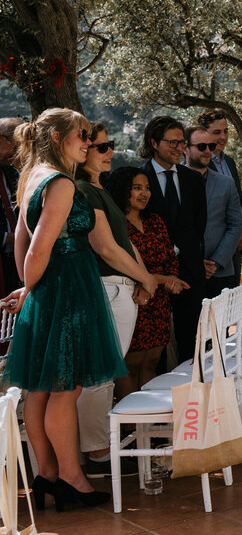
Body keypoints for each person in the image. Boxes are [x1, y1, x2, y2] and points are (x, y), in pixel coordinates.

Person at [3, 109, 151, 511]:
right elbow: (37, 247)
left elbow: (21, 239)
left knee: (39, 389)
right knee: (65, 390)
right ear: (56, 137)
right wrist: (33, 288)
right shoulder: (62, 183)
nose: (87, 143)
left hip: (50, 289)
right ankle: (70, 477)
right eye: (81, 136)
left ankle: (47, 474)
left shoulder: (31, 177)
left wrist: (29, 287)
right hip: (67, 290)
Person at [75, 123, 178, 477]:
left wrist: (148, 280)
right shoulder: (82, 189)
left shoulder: (96, 189)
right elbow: (106, 247)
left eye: (110, 145)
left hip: (131, 290)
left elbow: (124, 245)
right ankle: (101, 452)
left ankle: (111, 444)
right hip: (114, 289)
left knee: (114, 373)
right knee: (104, 375)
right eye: (101, 147)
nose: (109, 152)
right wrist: (147, 279)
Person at [108, 167, 182, 399]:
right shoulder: (114, 226)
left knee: (151, 363)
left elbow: (170, 258)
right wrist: (159, 279)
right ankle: (130, 426)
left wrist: (168, 280)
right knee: (129, 366)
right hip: (132, 300)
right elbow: (118, 265)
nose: (144, 194)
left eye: (147, 188)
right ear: (123, 190)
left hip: (158, 303)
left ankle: (146, 428)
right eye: (137, 188)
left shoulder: (155, 221)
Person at [140, 115, 206, 359]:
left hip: (190, 272)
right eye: (172, 143)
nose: (180, 149)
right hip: (152, 274)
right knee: (154, 346)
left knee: (193, 342)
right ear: (154, 143)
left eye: (182, 143)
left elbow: (199, 226)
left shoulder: (193, 179)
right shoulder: (138, 179)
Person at [183, 124, 242, 296]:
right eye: (201, 146)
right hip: (184, 272)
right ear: (185, 149)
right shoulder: (175, 182)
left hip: (220, 271)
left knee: (220, 323)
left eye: (211, 146)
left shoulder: (226, 183)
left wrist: (216, 262)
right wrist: (193, 262)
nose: (208, 151)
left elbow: (236, 225)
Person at [197, 109, 242, 272]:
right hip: (213, 249)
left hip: (235, 247)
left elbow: (240, 197)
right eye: (217, 132)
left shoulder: (229, 161)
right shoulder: (198, 164)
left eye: (226, 131)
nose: (223, 137)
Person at [0, 117, 23, 294]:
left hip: (14, 262)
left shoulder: (11, 172)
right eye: (16, 147)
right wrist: (7, 238)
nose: (17, 154)